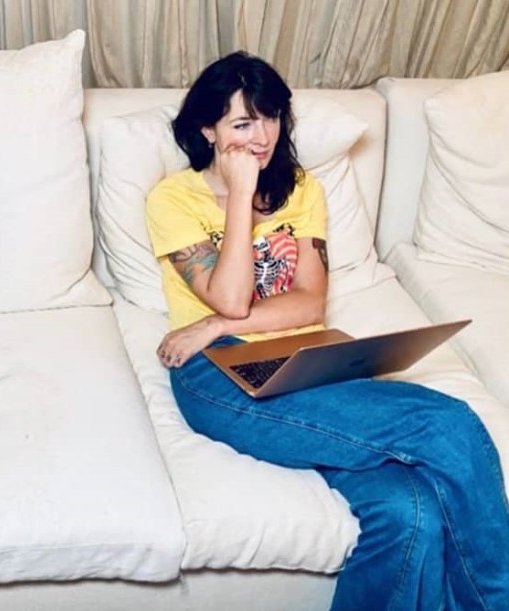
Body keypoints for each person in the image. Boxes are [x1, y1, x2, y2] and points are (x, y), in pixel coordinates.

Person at [146, 51, 509, 610]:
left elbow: (308, 303)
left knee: (409, 510)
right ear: (208, 130)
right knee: (448, 424)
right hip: (216, 373)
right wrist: (239, 195)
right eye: (242, 123)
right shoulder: (172, 199)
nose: (261, 137)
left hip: (305, 359)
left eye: (270, 118)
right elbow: (232, 295)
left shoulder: (302, 190)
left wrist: (213, 322)